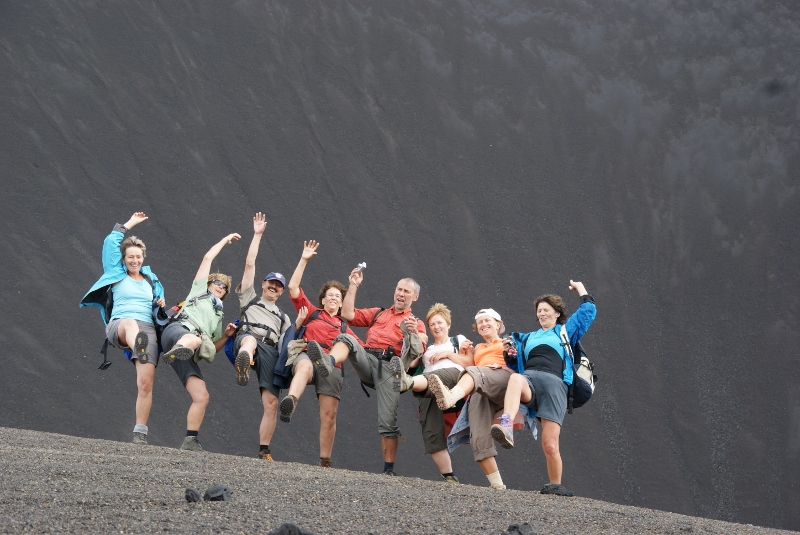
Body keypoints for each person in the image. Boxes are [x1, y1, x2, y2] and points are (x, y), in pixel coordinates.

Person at [304, 266, 427, 475]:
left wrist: (414, 333)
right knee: (347, 337)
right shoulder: (379, 313)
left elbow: (418, 350)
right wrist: (353, 285)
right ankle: (328, 361)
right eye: (399, 289)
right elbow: (347, 314)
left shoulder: (415, 323)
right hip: (368, 359)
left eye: (406, 291)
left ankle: (388, 469)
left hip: (391, 368)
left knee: (388, 420)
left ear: (414, 297)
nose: (401, 294)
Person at [491, 280, 596, 497]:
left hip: (554, 386)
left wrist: (580, 288)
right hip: (530, 379)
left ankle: (555, 486)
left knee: (549, 444)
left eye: (546, 310)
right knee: (516, 379)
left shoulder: (565, 332)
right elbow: (515, 364)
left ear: (557, 313)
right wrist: (509, 354)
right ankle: (506, 425)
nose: (542, 314)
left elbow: (588, 310)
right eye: (539, 311)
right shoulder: (527, 337)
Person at [80, 212, 165, 445]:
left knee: (146, 382)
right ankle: (137, 343)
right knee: (130, 323)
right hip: (120, 325)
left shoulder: (151, 279)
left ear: (143, 258)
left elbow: (160, 301)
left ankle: (140, 432)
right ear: (124, 258)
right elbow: (110, 242)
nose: (134, 260)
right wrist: (129, 224)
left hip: (146, 327)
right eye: (130, 257)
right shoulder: (115, 272)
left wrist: (160, 302)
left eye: (138, 256)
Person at [282, 240, 364, 468]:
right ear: (323, 299)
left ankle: (325, 459)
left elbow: (364, 350)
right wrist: (304, 259)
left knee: (329, 415)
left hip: (332, 366)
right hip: (308, 353)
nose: (334, 298)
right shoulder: (312, 313)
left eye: (338, 296)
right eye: (330, 295)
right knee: (305, 366)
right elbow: (293, 288)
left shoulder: (346, 328)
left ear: (341, 302)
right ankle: (291, 401)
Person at [160, 233, 240, 451]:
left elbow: (211, 349)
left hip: (189, 348)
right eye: (217, 283)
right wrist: (224, 241)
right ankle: (178, 349)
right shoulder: (199, 291)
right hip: (177, 331)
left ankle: (190, 440)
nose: (221, 287)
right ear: (208, 282)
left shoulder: (217, 315)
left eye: (224, 288)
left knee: (202, 395)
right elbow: (207, 258)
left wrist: (226, 335)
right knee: (193, 339)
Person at [427, 308, 513, 489]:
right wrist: (459, 352)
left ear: (498, 324)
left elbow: (519, 362)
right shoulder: (479, 348)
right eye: (480, 322)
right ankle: (498, 486)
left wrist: (508, 358)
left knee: (476, 372)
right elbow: (467, 365)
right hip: (482, 387)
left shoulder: (508, 342)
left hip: (504, 381)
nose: (483, 324)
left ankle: (452, 396)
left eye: (487, 320)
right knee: (478, 435)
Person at [230, 212, 290, 461]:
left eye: (278, 285)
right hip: (248, 335)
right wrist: (257, 235)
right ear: (263, 284)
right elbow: (249, 265)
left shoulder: (284, 317)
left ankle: (264, 450)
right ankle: (244, 360)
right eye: (270, 283)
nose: (274, 287)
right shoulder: (249, 298)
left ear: (282, 291)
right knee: (250, 340)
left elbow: (287, 345)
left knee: (272, 405)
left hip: (271, 350)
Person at [393, 303, 474, 483]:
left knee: (432, 376)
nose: (436, 327)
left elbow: (470, 362)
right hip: (430, 387)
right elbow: (412, 364)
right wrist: (412, 335)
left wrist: (447, 355)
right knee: (430, 430)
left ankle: (407, 383)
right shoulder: (427, 350)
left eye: (440, 323)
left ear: (448, 324)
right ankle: (449, 476)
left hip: (453, 377)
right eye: (432, 325)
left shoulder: (458, 340)